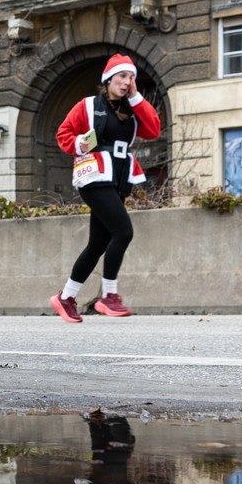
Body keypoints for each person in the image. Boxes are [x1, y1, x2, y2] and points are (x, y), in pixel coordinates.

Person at [50, 54, 161, 323]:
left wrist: (136, 97)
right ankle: (108, 295)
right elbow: (63, 134)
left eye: (131, 77)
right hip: (94, 175)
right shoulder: (88, 106)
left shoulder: (133, 109)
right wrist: (79, 144)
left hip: (120, 176)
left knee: (98, 243)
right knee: (123, 231)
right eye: (122, 76)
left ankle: (66, 297)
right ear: (108, 79)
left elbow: (154, 129)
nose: (126, 82)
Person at [75, 410, 149, 484]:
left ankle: (102, 413)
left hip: (111, 461)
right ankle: (97, 414)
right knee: (102, 426)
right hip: (103, 461)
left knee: (112, 424)